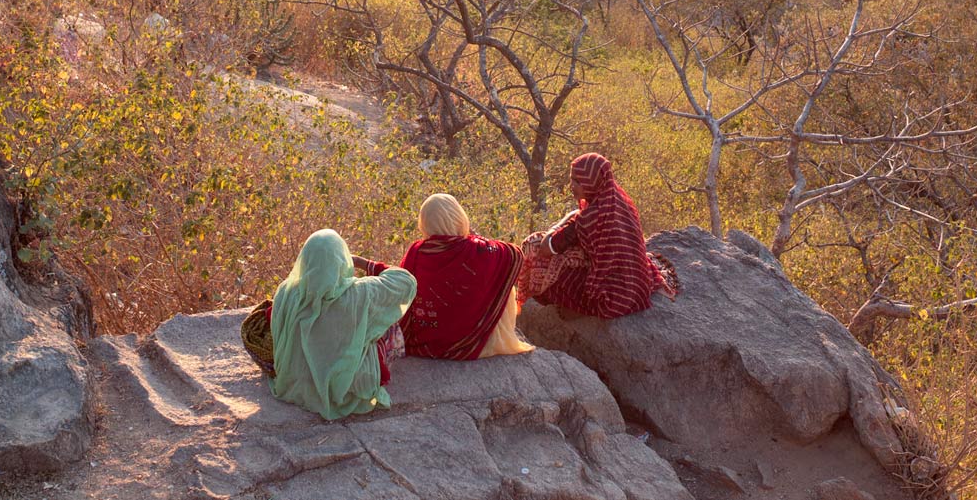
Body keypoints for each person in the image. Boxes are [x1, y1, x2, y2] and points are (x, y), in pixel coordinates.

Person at [268, 228, 416, 420]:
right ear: (341, 260)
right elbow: (406, 282)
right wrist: (363, 263)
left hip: (295, 381)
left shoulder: (287, 292)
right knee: (385, 322)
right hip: (350, 387)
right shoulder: (360, 294)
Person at [520, 153, 677, 318]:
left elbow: (546, 248)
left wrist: (568, 217)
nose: (572, 186)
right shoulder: (620, 201)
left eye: (578, 182)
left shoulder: (588, 218)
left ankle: (578, 309)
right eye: (572, 179)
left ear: (593, 182)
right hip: (639, 285)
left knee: (535, 249)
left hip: (610, 299)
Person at [397, 193, 533, 360]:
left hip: (422, 341)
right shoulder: (477, 250)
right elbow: (515, 254)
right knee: (500, 274)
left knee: (499, 273)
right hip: (469, 344)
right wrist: (477, 238)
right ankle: (493, 336)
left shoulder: (417, 251)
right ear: (458, 216)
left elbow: (400, 285)